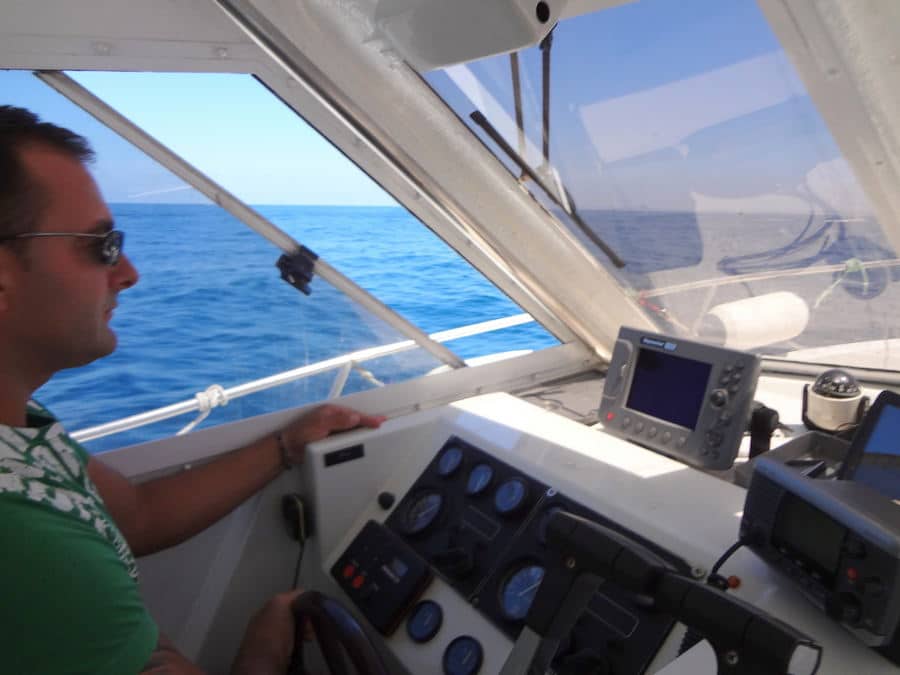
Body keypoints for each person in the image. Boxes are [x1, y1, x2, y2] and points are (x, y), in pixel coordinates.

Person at [0, 105, 385, 674]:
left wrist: (287, 445)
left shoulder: (19, 425)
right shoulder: (21, 536)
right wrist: (261, 652)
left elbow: (136, 516)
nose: (129, 272)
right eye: (101, 245)